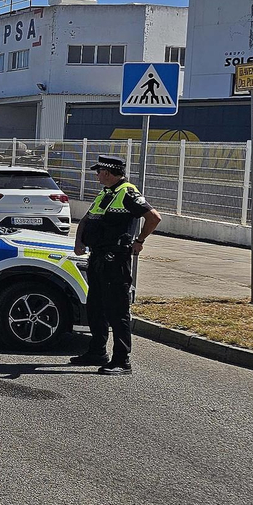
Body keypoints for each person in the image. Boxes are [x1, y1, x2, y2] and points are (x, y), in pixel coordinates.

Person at [70, 154, 163, 374]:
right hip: (98, 257)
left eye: (99, 172)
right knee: (95, 307)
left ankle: (122, 360)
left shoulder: (127, 192)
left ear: (108, 173)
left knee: (117, 310)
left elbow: (154, 217)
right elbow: (87, 218)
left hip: (115, 259)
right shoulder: (106, 192)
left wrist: (139, 241)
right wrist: (79, 240)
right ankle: (97, 351)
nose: (96, 176)